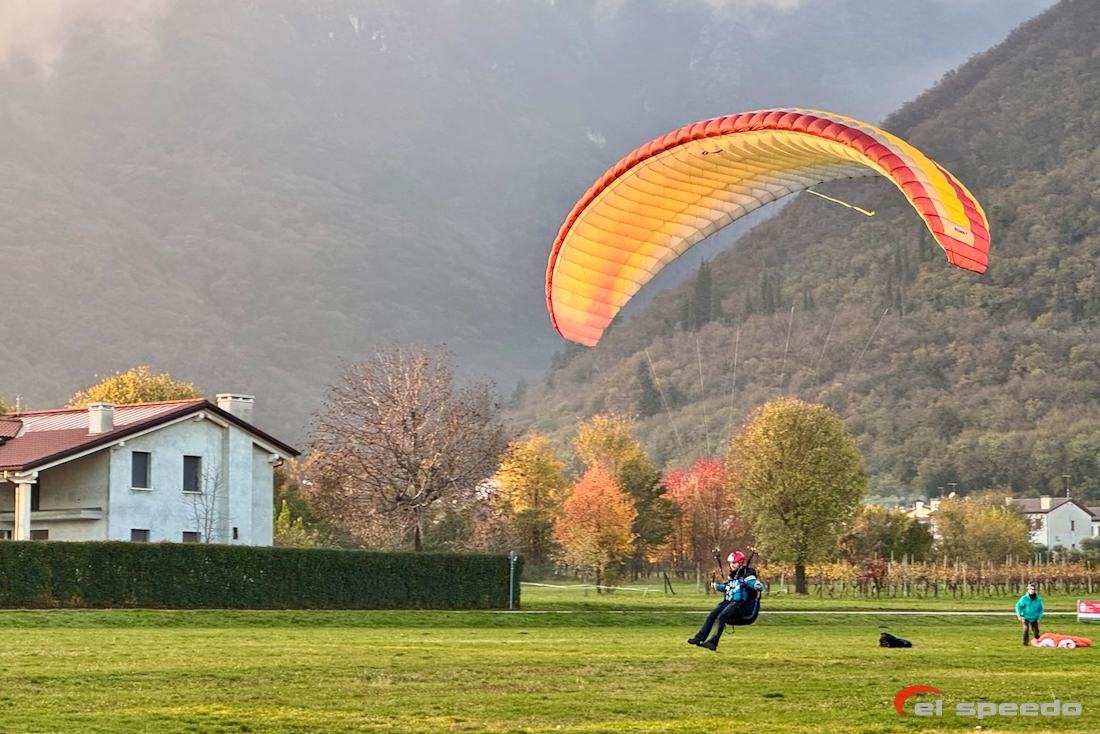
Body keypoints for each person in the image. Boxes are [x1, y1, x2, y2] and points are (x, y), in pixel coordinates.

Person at [688, 551, 764, 651]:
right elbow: (728, 588)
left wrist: (758, 586)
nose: (732, 565)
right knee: (712, 615)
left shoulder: (747, 575)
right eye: (731, 563)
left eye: (734, 563)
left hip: (738, 602)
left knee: (721, 617)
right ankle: (699, 638)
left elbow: (755, 584)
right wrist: (717, 586)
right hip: (728, 601)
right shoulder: (732, 576)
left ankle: (713, 642)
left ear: (740, 563)